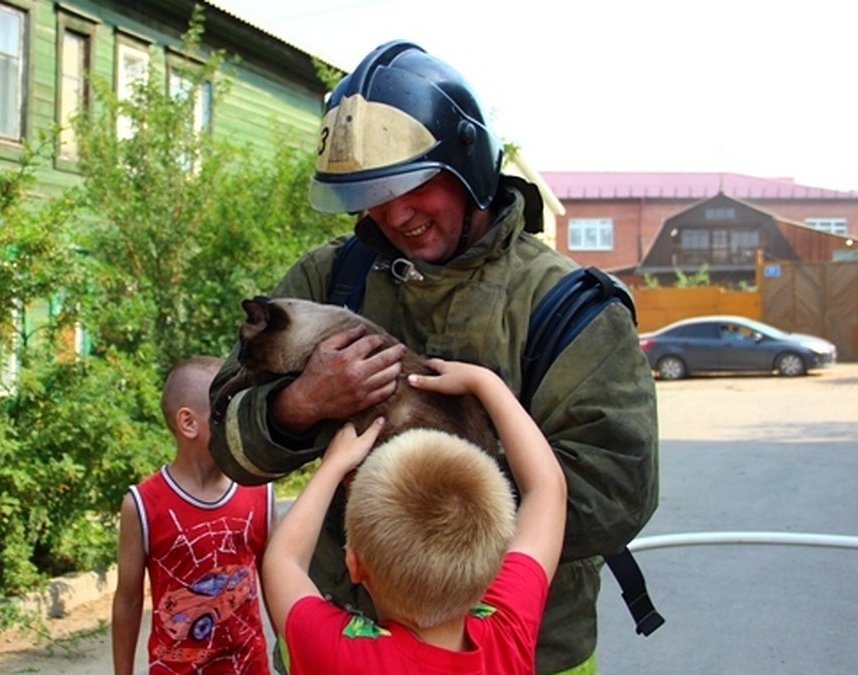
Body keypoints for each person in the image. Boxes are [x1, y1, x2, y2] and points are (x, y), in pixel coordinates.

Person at [209, 40, 659, 674]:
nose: (395, 213)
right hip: (370, 636)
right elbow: (227, 438)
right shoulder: (326, 281)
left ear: (468, 164)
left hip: (531, 653)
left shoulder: (565, 306)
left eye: (413, 182)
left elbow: (616, 493)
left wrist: (419, 543)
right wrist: (300, 404)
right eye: (372, 191)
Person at [263, 359, 567, 673]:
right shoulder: (506, 630)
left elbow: (283, 561)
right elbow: (547, 488)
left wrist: (333, 466)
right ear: (495, 562)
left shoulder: (341, 655)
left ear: (354, 564)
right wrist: (486, 383)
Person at [112, 356, 275, 674]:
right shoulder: (143, 505)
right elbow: (128, 601)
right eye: (227, 412)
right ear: (188, 423)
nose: (239, 423)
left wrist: (293, 654)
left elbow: (275, 583)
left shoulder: (260, 493)